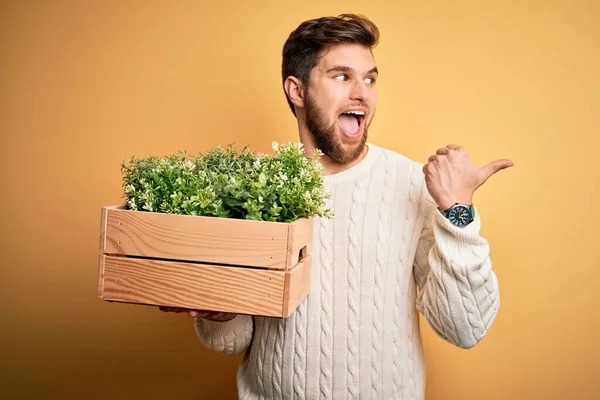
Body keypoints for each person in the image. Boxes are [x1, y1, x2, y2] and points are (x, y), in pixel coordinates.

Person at [163, 13, 512, 399]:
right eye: (342, 76)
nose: (362, 93)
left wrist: (457, 212)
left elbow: (466, 328)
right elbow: (233, 338)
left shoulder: (414, 185)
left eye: (370, 78)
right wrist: (221, 312)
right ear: (296, 91)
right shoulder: (254, 192)